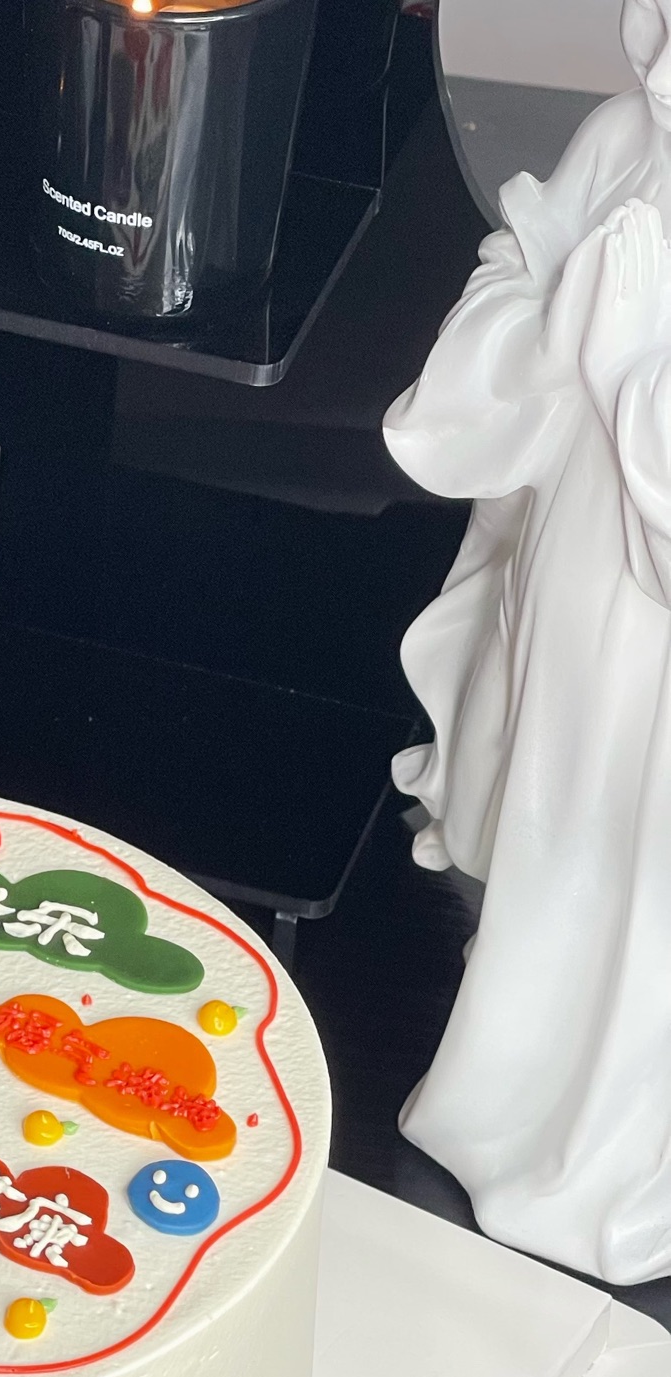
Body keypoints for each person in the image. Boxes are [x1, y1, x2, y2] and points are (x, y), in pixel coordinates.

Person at [384, 0, 671, 1283]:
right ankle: (519, 1048)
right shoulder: (626, 137)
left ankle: (600, 1124)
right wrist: (551, 334)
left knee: (629, 865)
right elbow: (517, 273)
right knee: (558, 813)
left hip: (651, 621)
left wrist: (624, 362)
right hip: (578, 566)